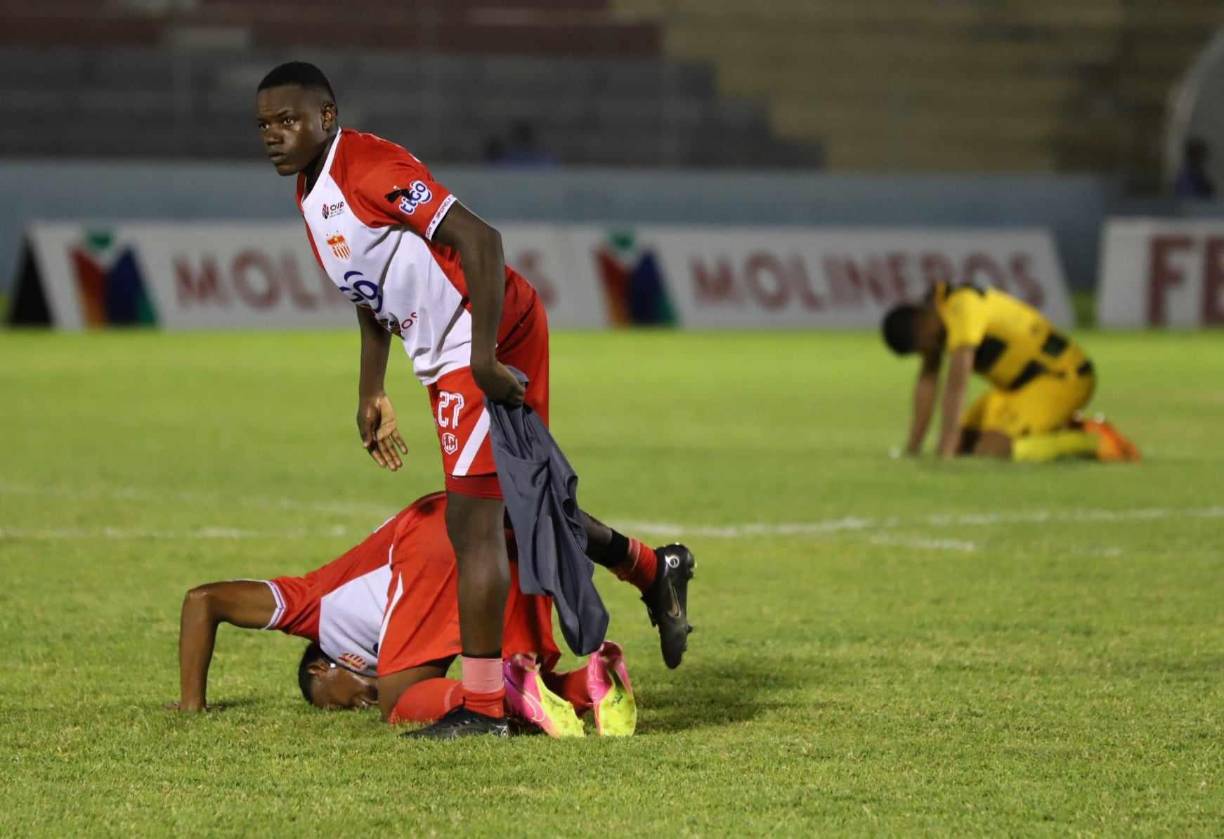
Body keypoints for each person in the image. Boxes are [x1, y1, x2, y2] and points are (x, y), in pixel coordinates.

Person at [254, 62, 693, 737]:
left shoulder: (368, 166)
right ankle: (650, 568)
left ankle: (485, 706)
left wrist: (484, 357)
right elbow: (369, 294)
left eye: (288, 120)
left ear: (327, 117)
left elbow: (480, 239)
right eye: (264, 124)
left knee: (473, 521)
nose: (274, 135)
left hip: (482, 331)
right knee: (512, 506)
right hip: (447, 350)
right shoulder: (311, 193)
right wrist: (372, 388)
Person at [171, 492, 637, 738]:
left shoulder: (313, 605)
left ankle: (515, 691)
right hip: (492, 533)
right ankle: (595, 682)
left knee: (398, 703)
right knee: (524, 684)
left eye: (336, 701)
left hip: (435, 534)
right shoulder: (395, 643)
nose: (355, 705)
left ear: (322, 668)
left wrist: (192, 704)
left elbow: (202, 600)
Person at [880, 281, 1139, 463]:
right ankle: (1055, 428)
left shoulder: (963, 307)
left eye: (923, 347)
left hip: (1062, 378)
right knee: (965, 444)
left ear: (922, 324)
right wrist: (913, 448)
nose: (929, 353)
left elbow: (956, 384)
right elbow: (927, 381)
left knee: (993, 450)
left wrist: (945, 449)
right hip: (1018, 388)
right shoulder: (938, 318)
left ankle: (1092, 441)